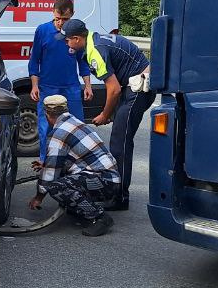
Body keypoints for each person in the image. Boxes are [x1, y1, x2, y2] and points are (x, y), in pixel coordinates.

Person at [61, 18, 152, 212]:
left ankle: (120, 197)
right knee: (118, 141)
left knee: (120, 143)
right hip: (131, 86)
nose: (66, 44)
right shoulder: (94, 39)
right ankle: (115, 190)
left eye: (67, 40)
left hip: (137, 89)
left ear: (77, 39)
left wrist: (104, 114)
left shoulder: (95, 52)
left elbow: (114, 89)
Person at [28, 94, 120, 236]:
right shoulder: (74, 122)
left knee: (56, 187)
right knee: (61, 178)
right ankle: (78, 206)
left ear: (47, 114)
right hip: (109, 178)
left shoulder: (58, 134)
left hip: (104, 181)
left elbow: (50, 174)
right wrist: (47, 163)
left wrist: (38, 197)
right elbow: (68, 159)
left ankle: (99, 217)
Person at [27, 0, 92, 161]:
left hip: (71, 88)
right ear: (52, 13)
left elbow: (82, 61)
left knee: (77, 128)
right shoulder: (42, 30)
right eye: (57, 19)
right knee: (46, 129)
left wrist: (88, 85)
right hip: (47, 88)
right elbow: (34, 60)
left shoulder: (76, 34)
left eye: (65, 19)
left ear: (73, 15)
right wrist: (35, 85)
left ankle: (76, 163)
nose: (60, 23)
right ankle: (45, 163)